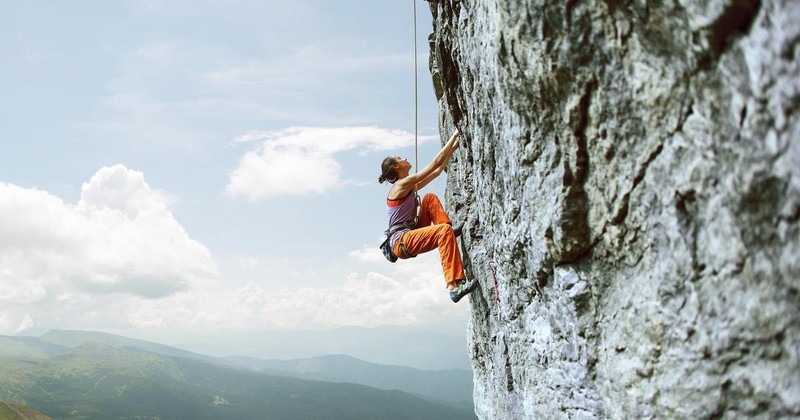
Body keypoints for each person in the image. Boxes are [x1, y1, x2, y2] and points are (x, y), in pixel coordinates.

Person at [377, 130, 478, 303]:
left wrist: (453, 148)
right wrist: (454, 134)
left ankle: (448, 232)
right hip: (401, 241)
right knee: (442, 232)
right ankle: (454, 286)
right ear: (396, 166)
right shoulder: (402, 185)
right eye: (400, 158)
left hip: (408, 233)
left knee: (429, 198)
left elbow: (437, 171)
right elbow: (434, 163)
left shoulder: (407, 186)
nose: (404, 158)